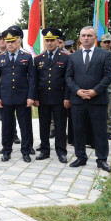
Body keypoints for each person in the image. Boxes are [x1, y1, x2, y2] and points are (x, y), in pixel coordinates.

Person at [66, 26, 111, 173]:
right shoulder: (73, 56)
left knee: (100, 131)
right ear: (80, 38)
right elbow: (68, 77)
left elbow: (108, 76)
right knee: (78, 130)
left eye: (89, 35)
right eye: (83, 35)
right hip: (78, 100)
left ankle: (102, 160)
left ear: (95, 38)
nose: (86, 38)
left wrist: (95, 91)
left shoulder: (104, 55)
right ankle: (81, 157)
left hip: (97, 100)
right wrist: (78, 91)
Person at [0, 29, 36, 163]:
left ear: (19, 41)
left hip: (23, 98)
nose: (10, 44)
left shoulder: (27, 57)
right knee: (6, 126)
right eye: (8, 41)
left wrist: (31, 97)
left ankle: (26, 151)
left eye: (13, 41)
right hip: (5, 98)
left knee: (25, 126)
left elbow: (32, 79)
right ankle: (6, 151)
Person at [34, 28, 70, 163]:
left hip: (60, 98)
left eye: (52, 40)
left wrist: (67, 97)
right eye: (47, 40)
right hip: (43, 98)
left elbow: (68, 80)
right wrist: (35, 97)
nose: (49, 43)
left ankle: (61, 151)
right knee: (44, 125)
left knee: (60, 126)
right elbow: (35, 80)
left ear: (57, 41)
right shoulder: (38, 59)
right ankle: (44, 150)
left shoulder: (66, 57)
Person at [0, 33, 21, 145]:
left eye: (4, 39)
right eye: (0, 39)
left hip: (9, 88)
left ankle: (14, 134)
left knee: (10, 113)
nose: (2, 41)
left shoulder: (12, 54)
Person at [99, 34, 111, 140]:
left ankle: (108, 130)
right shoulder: (96, 54)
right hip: (98, 85)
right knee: (97, 109)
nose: (106, 44)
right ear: (101, 43)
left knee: (109, 109)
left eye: (108, 42)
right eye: (105, 42)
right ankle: (96, 130)